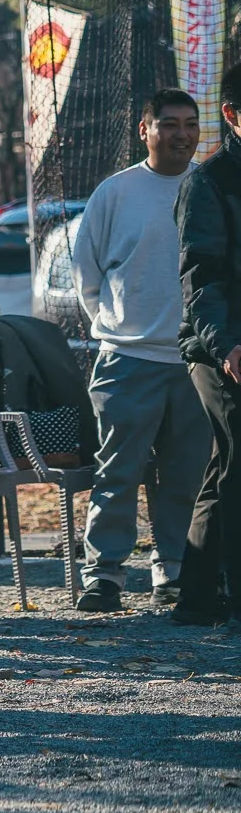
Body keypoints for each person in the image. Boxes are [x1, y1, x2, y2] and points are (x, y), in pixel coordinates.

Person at [72, 88, 211, 612]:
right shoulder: (116, 192)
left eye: (190, 124)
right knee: (118, 472)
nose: (181, 134)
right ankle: (104, 574)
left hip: (195, 360)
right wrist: (116, 328)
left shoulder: (212, 187)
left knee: (186, 476)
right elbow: (87, 274)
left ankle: (172, 571)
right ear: (145, 129)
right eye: (169, 124)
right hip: (127, 358)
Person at [172, 61, 241, 628]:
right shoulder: (208, 182)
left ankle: (195, 597)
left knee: (228, 467)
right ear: (231, 115)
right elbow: (202, 278)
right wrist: (227, 346)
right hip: (217, 347)